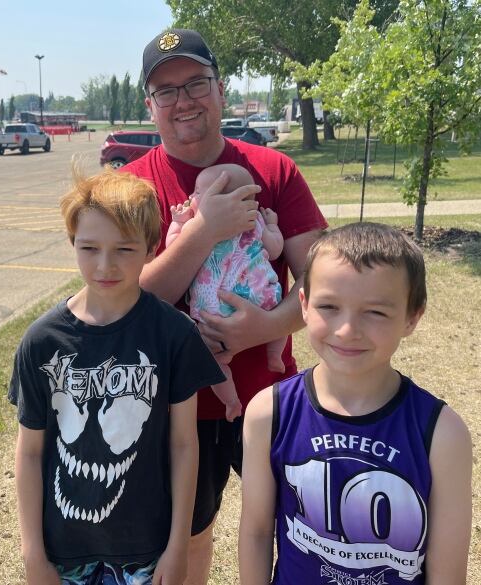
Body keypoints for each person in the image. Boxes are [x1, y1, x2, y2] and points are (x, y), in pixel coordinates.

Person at [124, 28, 328, 583]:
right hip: (172, 409)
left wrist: (265, 326)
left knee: (294, 530)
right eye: (165, 90)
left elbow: (324, 283)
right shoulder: (130, 188)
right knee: (190, 538)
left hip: (267, 399)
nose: (182, 99)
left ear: (220, 88)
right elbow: (126, 302)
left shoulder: (275, 171)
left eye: (195, 82)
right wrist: (200, 234)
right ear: (149, 105)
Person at [9, 168, 225, 585]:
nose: (105, 265)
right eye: (89, 248)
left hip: (148, 544)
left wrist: (178, 545)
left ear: (151, 247)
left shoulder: (173, 334)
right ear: (73, 243)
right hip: (63, 549)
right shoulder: (42, 341)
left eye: (124, 249)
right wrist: (33, 553)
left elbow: (183, 444)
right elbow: (30, 453)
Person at [239, 222, 473, 584]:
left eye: (376, 312)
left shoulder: (443, 435)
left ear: (412, 316)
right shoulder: (268, 413)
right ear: (303, 305)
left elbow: (447, 573)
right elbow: (255, 534)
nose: (348, 329)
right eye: (329, 306)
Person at [166, 163, 288, 422]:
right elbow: (276, 250)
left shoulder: (195, 229)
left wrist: (178, 224)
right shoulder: (254, 224)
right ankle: (274, 354)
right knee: (279, 316)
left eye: (198, 193)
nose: (191, 197)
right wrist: (273, 226)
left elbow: (173, 247)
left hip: (213, 309)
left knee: (216, 362)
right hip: (260, 296)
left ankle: (231, 401)